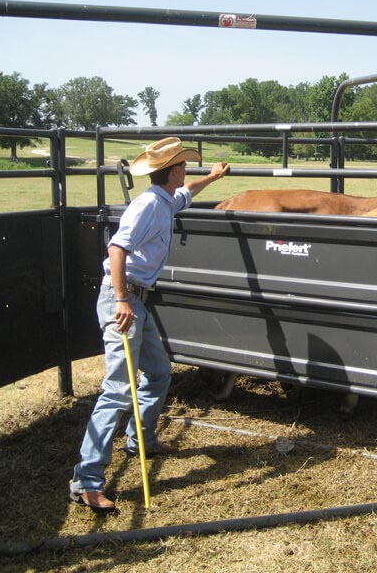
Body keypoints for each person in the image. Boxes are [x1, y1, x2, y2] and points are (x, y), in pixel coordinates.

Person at [70, 137, 229, 513]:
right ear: (173, 170)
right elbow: (116, 248)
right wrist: (123, 300)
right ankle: (87, 480)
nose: (186, 171)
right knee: (118, 390)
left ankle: (141, 440)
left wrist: (212, 178)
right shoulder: (148, 207)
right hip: (123, 301)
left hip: (137, 301)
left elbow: (186, 194)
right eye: (184, 166)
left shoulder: (165, 199)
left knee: (158, 373)